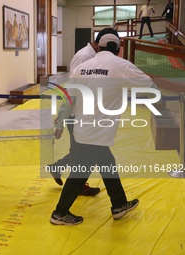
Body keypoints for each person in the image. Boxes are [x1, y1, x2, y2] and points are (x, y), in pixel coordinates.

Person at [50, 33, 157, 225]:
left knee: (108, 164)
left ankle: (119, 205)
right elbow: (150, 86)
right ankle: (59, 213)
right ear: (118, 49)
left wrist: (60, 122)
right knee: (79, 173)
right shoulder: (121, 65)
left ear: (98, 47)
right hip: (99, 131)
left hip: (82, 128)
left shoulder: (83, 67)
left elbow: (70, 98)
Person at [47, 28, 119, 197]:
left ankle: (59, 169)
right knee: (84, 152)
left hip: (86, 113)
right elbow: (73, 89)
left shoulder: (94, 56)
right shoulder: (84, 57)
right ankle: (65, 204)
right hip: (78, 114)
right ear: (98, 44)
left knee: (86, 152)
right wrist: (63, 118)